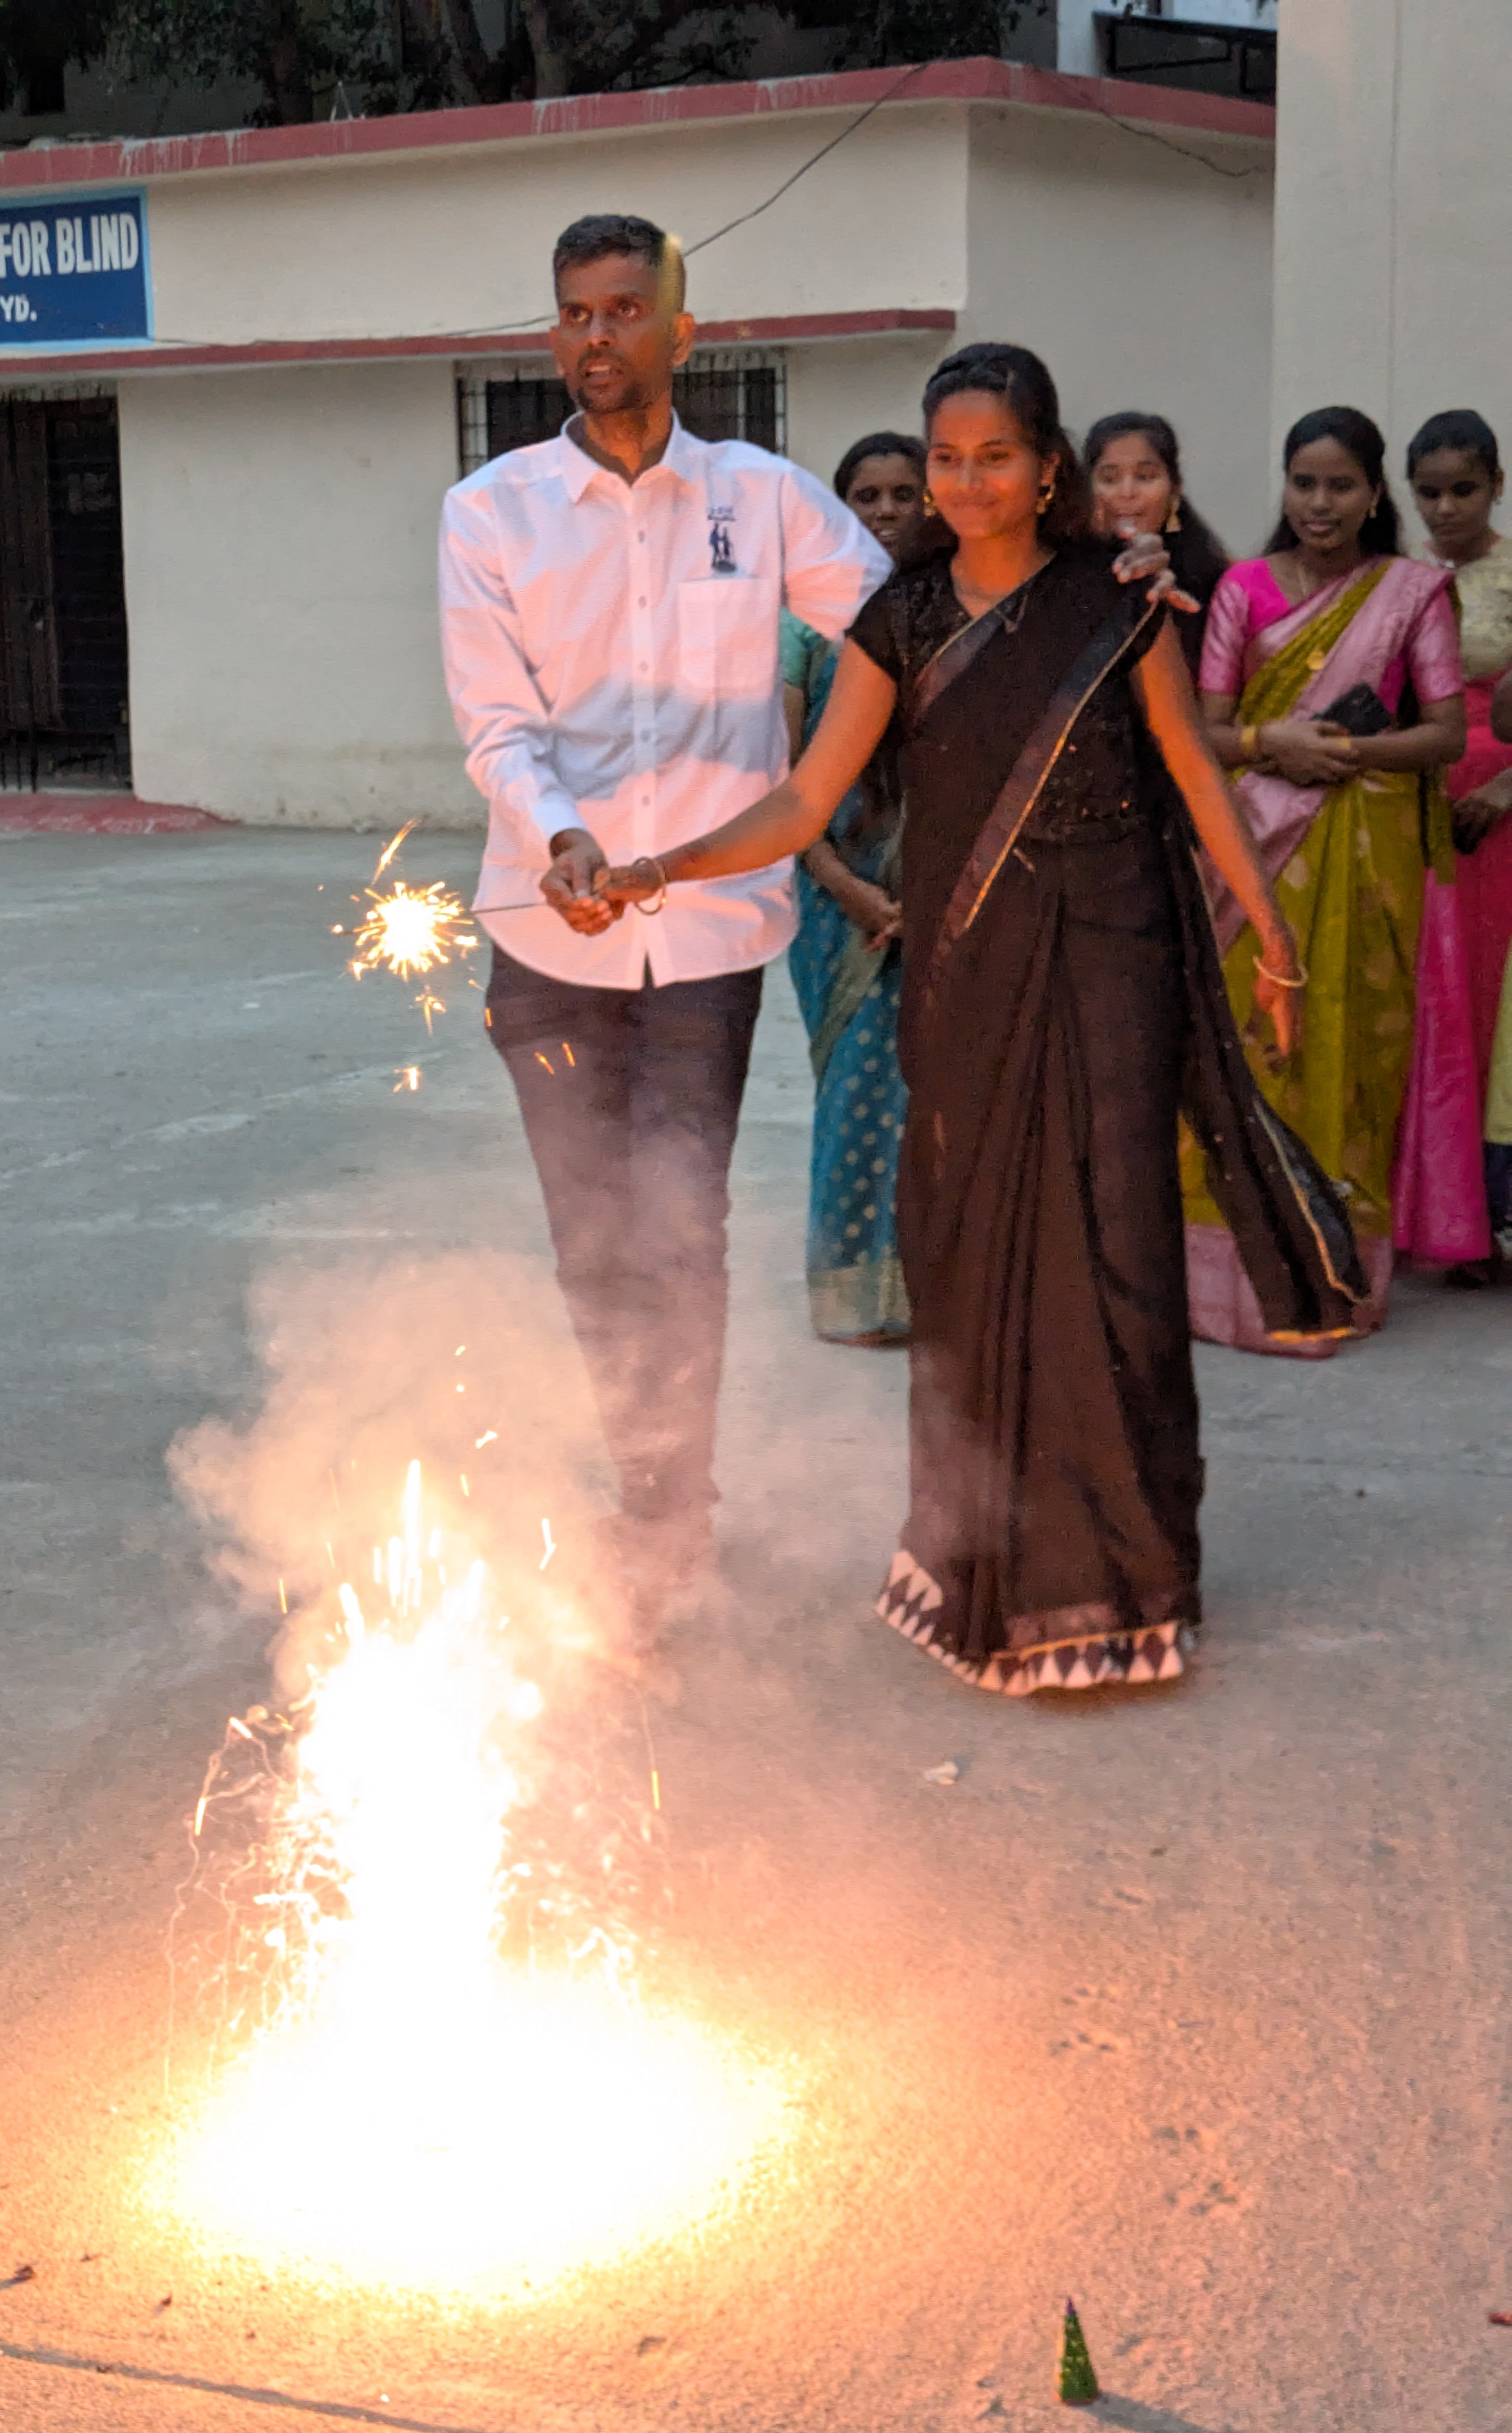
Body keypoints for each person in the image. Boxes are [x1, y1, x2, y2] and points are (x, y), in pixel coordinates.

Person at [583, 342, 1361, 1696]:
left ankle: (1133, 1584)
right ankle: (984, 1570)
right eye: (945, 456)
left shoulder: (1117, 604)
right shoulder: (899, 618)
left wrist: (1274, 933)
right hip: (966, 973)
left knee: (1114, 1251)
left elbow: (1189, 763)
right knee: (977, 1255)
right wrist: (655, 867)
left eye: (994, 455)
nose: (965, 480)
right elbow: (804, 802)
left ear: (1047, 464)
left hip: (1116, 956)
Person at [437, 212, 889, 1625]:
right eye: (573, 312)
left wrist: (1091, 566)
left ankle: (670, 1509)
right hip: (544, 926)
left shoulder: (760, 501)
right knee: (592, 1239)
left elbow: (911, 621)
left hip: (706, 937)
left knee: (678, 1225)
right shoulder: (490, 511)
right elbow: (496, 724)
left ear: (681, 332)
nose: (595, 338)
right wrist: (562, 836)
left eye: (625, 310)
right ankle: (641, 1480)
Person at [1189, 406, 1467, 1352]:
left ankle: (1333, 1276)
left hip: (1364, 856)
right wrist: (1276, 742)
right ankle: (1229, 1286)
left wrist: (1340, 752)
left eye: (1339, 484)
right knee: (1251, 1052)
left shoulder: (1411, 592)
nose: (1319, 503)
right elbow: (1203, 730)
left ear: (1372, 492)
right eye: (1303, 482)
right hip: (1251, 860)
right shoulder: (1241, 589)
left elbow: (1445, 734)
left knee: (1347, 1056)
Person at [781, 432, 924, 1344]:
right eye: (863, 497)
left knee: (933, 1093)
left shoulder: (955, 612)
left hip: (939, 893)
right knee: (857, 1085)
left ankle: (928, 1289)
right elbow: (780, 777)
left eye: (903, 494)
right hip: (837, 896)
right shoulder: (801, 626)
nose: (882, 513)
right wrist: (847, 886)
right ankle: (850, 1297)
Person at [1394, 408, 1512, 1282]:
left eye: (1462, 490)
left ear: (1496, 488)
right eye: (1429, 493)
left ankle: (1488, 1215)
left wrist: (1508, 788)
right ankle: (1438, 1220)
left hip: (1502, 811)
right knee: (1433, 1001)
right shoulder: (1401, 583)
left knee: (1489, 1005)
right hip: (1419, 805)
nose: (1445, 509)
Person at [1084, 411, 1229, 676]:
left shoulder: (1218, 585)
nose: (1127, 493)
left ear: (1175, 489)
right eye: (1109, 479)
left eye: (1145, 477)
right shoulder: (1065, 570)